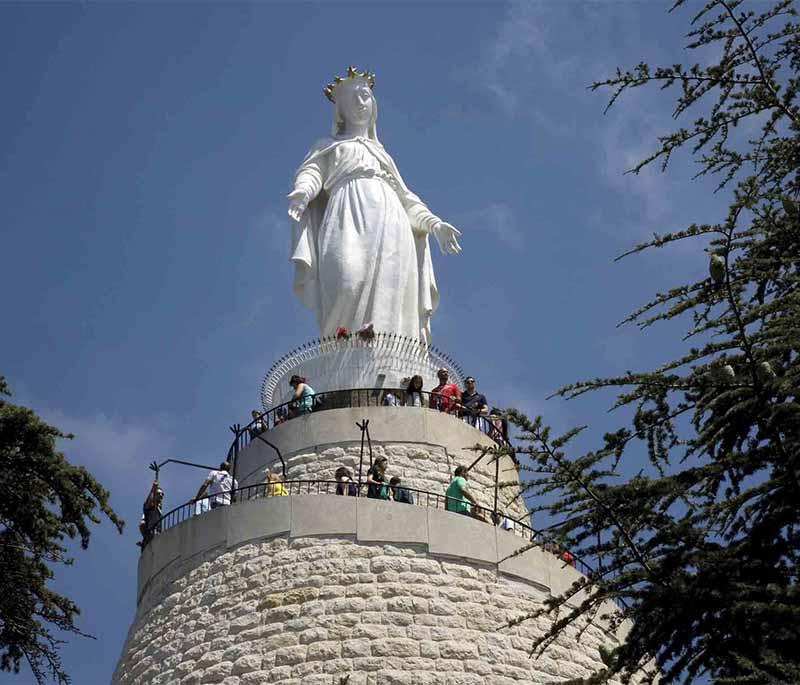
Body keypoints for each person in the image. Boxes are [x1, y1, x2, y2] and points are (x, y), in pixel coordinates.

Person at [287, 66, 462, 344]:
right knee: (347, 279)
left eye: (365, 96)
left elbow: (406, 198)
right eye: (352, 98)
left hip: (390, 218)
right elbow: (312, 173)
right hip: (346, 211)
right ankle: (340, 351)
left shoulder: (382, 155)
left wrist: (434, 224)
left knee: (391, 291)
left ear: (374, 104)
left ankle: (389, 353)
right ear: (340, 110)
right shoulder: (329, 145)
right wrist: (302, 192)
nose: (360, 103)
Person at [139, 479, 164, 549]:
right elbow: (141, 524)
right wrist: (153, 489)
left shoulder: (159, 510)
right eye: (159, 494)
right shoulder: (151, 507)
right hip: (152, 534)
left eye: (162, 494)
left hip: (158, 534)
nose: (161, 496)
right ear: (154, 495)